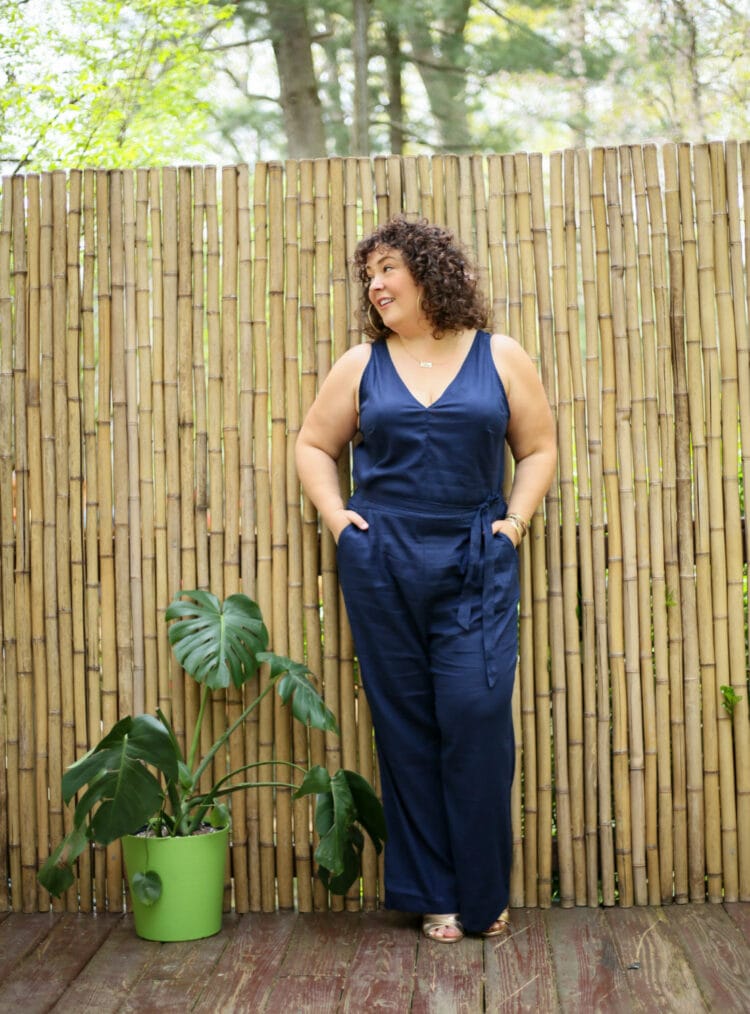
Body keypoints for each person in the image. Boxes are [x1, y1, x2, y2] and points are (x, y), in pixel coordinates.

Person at [295, 216, 556, 942]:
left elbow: (537, 449)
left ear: (429, 271)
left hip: (476, 556)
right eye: (368, 276)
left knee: (475, 716)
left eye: (386, 269)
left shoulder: (500, 355)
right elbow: (315, 444)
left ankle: (481, 891)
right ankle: (433, 891)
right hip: (383, 561)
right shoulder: (360, 365)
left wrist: (515, 522)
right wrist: (338, 518)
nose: (375, 285)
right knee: (404, 726)